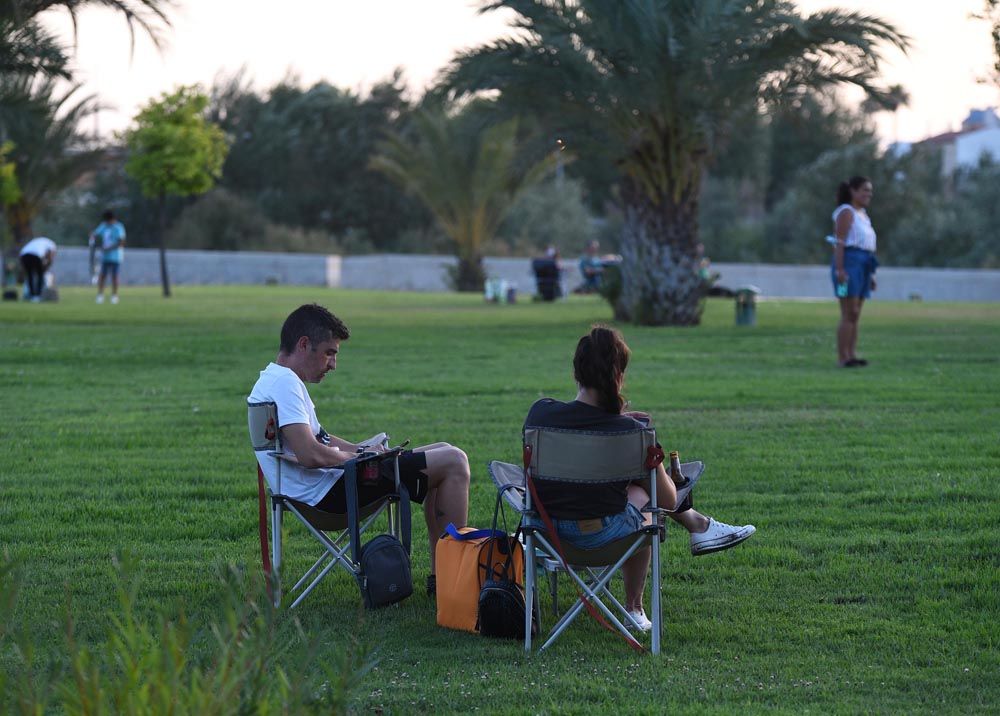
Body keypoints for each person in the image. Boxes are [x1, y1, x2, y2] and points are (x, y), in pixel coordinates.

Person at [524, 325, 755, 631]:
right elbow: (669, 500)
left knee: (634, 486)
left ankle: (699, 526)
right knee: (649, 501)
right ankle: (634, 608)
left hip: (547, 533)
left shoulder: (540, 415)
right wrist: (640, 439)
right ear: (618, 375)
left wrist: (617, 422)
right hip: (604, 538)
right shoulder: (631, 434)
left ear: (576, 372)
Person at [248, 303, 470, 597]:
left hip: (321, 489)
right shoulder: (286, 384)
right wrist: (358, 458)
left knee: (443, 450)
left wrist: (361, 449)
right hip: (328, 497)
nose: (333, 364)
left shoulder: (273, 379)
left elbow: (320, 439)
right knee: (454, 461)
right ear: (304, 345)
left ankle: (441, 580)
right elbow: (310, 454)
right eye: (330, 352)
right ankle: (449, 582)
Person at [831, 176, 878, 367]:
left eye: (870, 191)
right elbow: (839, 242)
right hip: (848, 266)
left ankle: (852, 354)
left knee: (856, 314)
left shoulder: (864, 215)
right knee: (848, 311)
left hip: (863, 266)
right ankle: (843, 358)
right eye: (864, 190)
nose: (868, 194)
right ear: (853, 191)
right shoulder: (846, 212)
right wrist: (840, 270)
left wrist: (871, 275)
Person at [91, 210, 126, 304]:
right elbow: (95, 234)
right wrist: (93, 239)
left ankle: (114, 296)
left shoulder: (118, 227)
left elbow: (121, 242)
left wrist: (109, 248)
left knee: (115, 276)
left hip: (116, 256)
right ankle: (100, 295)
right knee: (102, 276)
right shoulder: (103, 225)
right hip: (105, 256)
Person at [18, 236, 56, 303]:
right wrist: (46, 268)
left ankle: (30, 295)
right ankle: (37, 296)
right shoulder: (51, 244)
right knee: (40, 275)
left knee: (30, 276)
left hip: (23, 255)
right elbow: (50, 257)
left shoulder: (37, 241)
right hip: (35, 255)